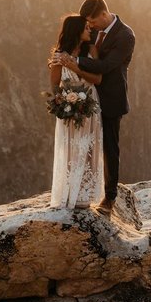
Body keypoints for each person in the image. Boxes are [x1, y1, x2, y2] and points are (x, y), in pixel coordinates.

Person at [54, 0, 135, 216]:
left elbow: (107, 65)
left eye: (92, 21)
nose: (89, 26)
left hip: (110, 98)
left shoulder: (125, 36)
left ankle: (109, 198)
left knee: (110, 147)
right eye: (87, 24)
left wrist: (74, 61)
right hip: (85, 97)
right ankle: (78, 191)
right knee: (82, 145)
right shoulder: (93, 31)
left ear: (103, 14)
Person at [48, 14, 104, 210]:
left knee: (89, 146)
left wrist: (75, 68)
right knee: (71, 147)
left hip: (90, 104)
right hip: (70, 108)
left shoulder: (92, 50)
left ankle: (84, 194)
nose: (90, 30)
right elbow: (55, 84)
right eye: (86, 28)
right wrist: (64, 103)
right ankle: (69, 192)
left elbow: (97, 79)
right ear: (77, 31)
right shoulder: (58, 55)